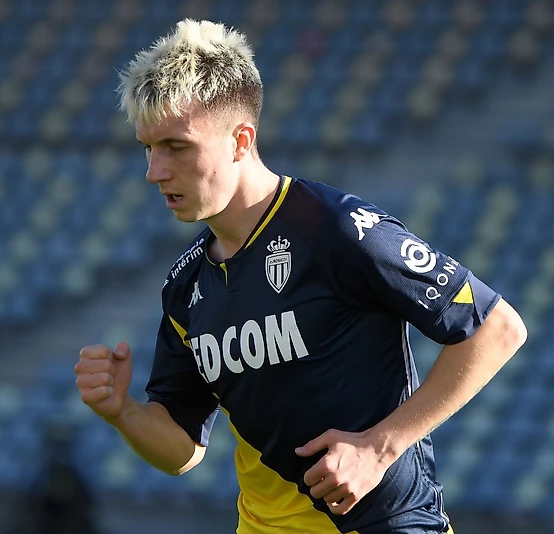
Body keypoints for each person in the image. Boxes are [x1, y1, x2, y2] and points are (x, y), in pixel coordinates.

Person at [74, 19, 527, 534]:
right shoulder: (185, 287)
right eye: (148, 148)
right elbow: (183, 448)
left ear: (240, 140)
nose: (154, 171)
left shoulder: (337, 228)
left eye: (176, 146)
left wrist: (379, 448)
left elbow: (497, 328)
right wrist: (124, 412)